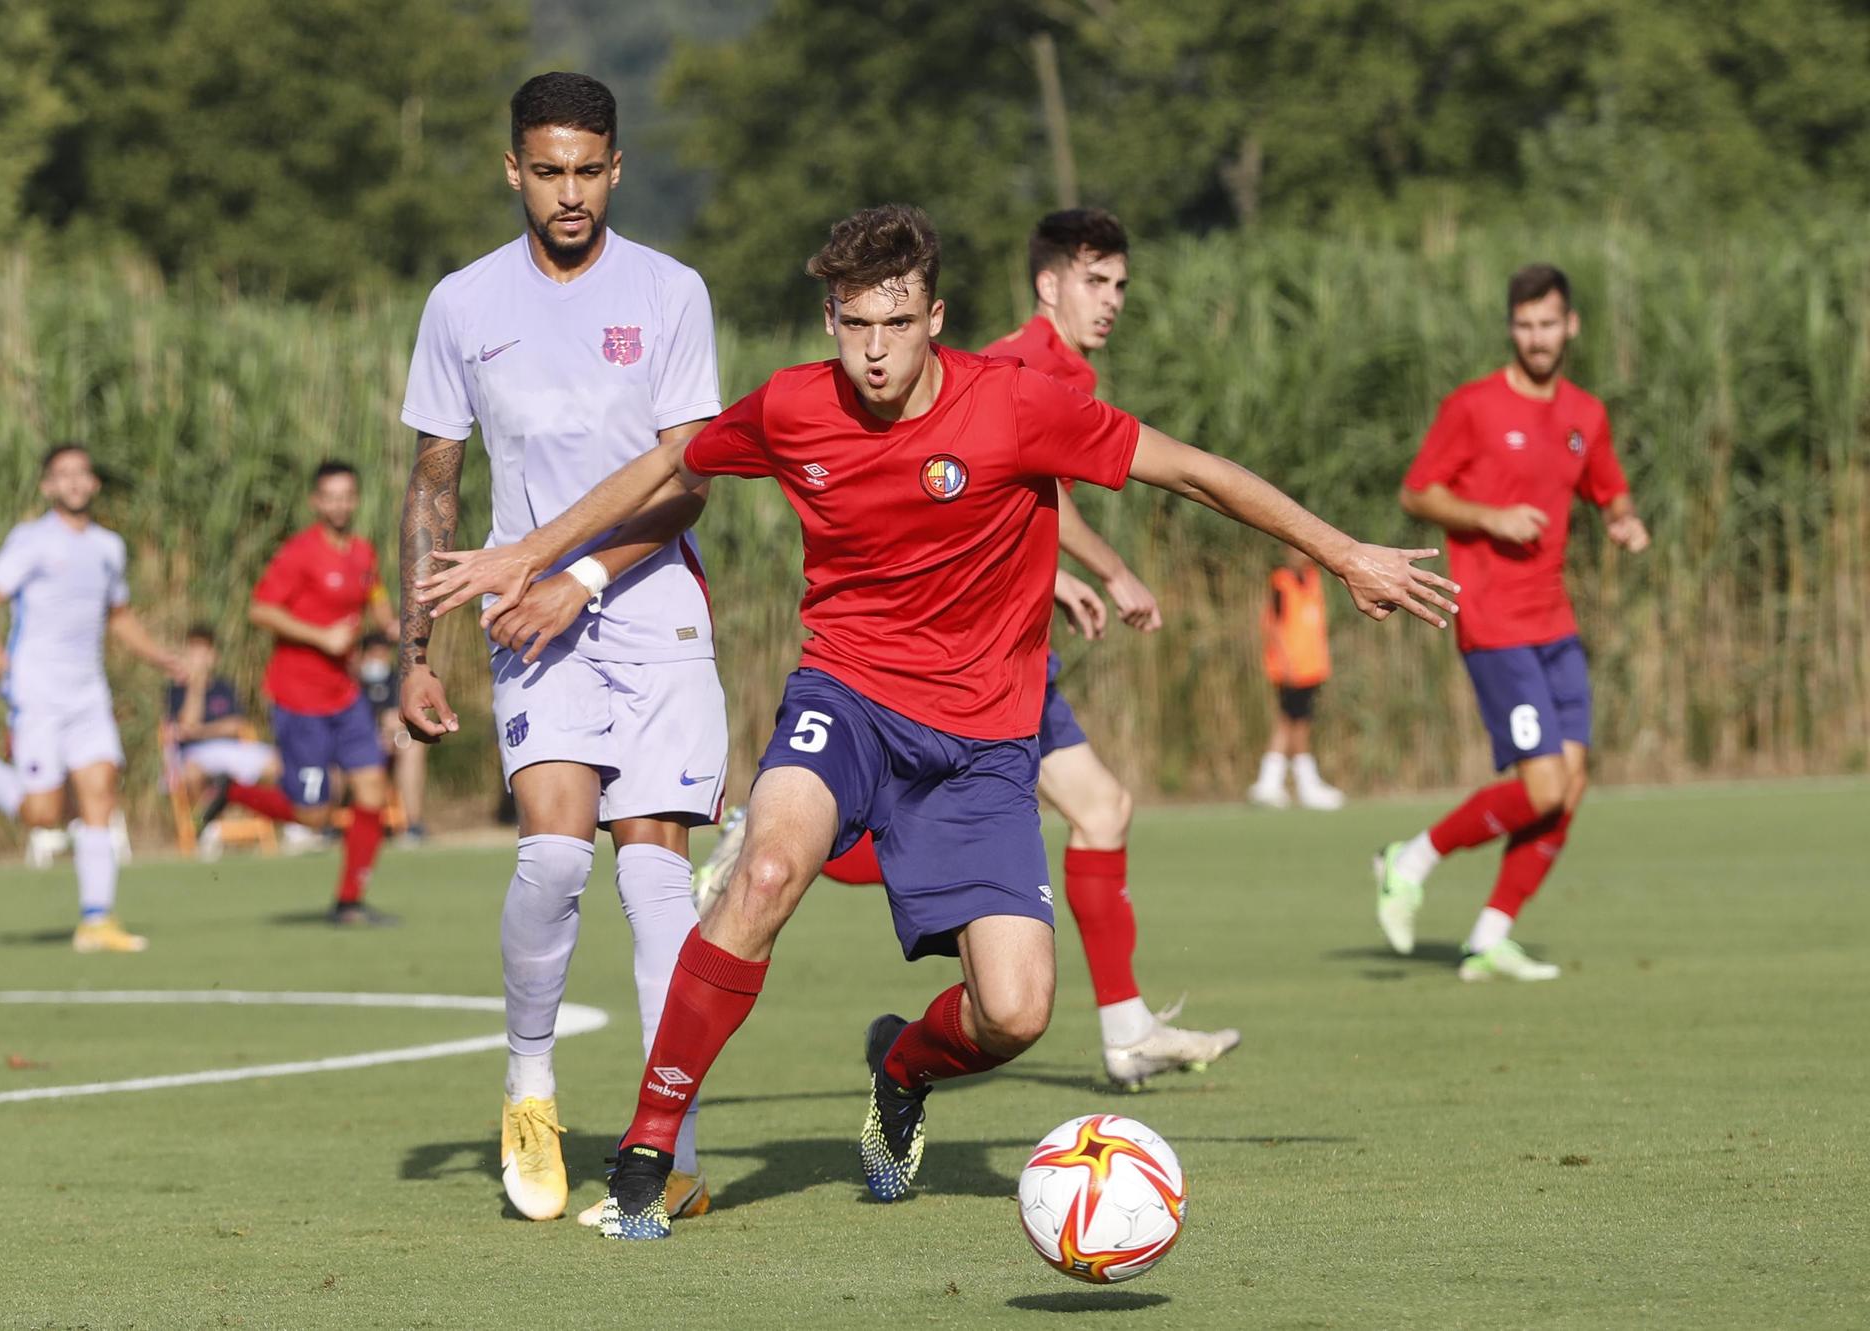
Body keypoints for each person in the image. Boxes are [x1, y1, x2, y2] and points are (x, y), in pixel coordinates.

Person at [416, 203, 1456, 1239]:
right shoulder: (788, 408)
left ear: (935, 317)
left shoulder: (1014, 406)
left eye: (897, 324)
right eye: (854, 324)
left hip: (982, 746)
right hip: (846, 699)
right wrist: (528, 552)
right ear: (829, 320)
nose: (875, 351)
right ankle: (646, 1149)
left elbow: (1188, 468)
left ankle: (899, 1065)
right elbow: (672, 461)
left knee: (1013, 1011)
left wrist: (1342, 552)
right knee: (763, 872)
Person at [699, 208, 1241, 1091]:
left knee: (1102, 809)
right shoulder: (1024, 363)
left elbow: (1015, 489)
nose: (1110, 302)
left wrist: (1073, 572)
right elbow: (976, 466)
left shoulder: (1066, 365)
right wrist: (1105, 570)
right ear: (1048, 284)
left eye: (1120, 286)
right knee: (1037, 811)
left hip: (1007, 644)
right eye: (1093, 282)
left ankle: (1125, 1025)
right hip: (967, 655)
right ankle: (769, 833)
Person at [395, 72, 728, 1228]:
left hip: (646, 605)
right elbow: (433, 485)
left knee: (653, 874)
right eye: (548, 170)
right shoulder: (461, 302)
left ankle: (670, 1146)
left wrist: (576, 574)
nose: (570, 191)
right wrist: (414, 650)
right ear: (513, 170)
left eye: (589, 169)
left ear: (617, 169)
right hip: (519, 613)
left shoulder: (671, 291)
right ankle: (528, 1081)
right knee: (552, 857)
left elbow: (689, 479)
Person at [1374, 264, 1649, 982]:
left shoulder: (1585, 415)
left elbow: (1608, 489)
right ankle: (1412, 858)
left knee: (1574, 780)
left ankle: (1489, 937)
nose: (1537, 337)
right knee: (1543, 788)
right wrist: (1489, 516)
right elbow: (1417, 492)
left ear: (1571, 325)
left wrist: (1622, 520)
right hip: (1494, 618)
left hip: (1555, 621)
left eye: (1548, 323)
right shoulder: (1473, 407)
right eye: (1524, 325)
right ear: (1511, 327)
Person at [0, 442, 181, 952]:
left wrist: (160, 656)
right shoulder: (31, 540)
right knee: (43, 814)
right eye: (62, 475)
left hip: (87, 692)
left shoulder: (109, 547)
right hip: (37, 690)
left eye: (82, 474)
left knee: (100, 793)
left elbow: (118, 616)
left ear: (93, 483)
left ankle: (97, 922)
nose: (74, 483)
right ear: (48, 486)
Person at [216, 460, 403, 924]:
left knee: (372, 793)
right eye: (330, 496)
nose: (340, 504)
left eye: (347, 495)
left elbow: (373, 591)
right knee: (314, 816)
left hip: (346, 696)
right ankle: (235, 792)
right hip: (300, 699)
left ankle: (349, 901)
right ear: (316, 502)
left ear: (355, 499)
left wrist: (389, 623)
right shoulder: (300, 554)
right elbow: (261, 610)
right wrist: (321, 638)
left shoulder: (362, 552)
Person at [164, 625, 314, 858]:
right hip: (195, 754)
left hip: (232, 749)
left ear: (213, 655)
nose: (199, 659)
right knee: (192, 774)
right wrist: (196, 685)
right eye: (194, 652)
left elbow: (236, 724)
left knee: (281, 763)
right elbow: (186, 724)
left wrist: (201, 730)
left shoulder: (225, 687)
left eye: (204, 652)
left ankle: (297, 822)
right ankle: (207, 825)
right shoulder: (176, 690)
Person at [1248, 547, 1345, 809]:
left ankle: (1269, 781)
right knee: (1297, 722)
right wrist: (1285, 660)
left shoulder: (1312, 578)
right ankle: (1305, 785)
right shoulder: (1281, 581)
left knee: (1290, 720)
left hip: (1311, 666)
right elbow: (1273, 625)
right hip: (1292, 668)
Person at [358, 633, 426, 844]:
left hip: (391, 742)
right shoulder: (351, 681)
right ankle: (327, 824)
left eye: (382, 653)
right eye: (373, 653)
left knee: (412, 747)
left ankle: (412, 824)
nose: (378, 658)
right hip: (356, 743)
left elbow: (407, 717)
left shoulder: (399, 680)